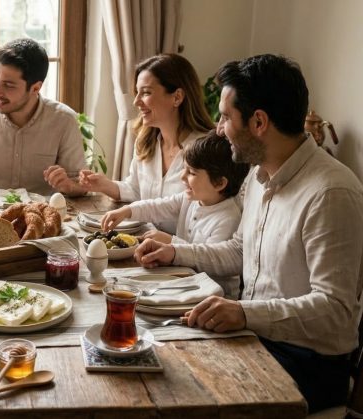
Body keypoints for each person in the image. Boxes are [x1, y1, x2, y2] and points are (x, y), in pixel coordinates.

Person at [133, 54, 363, 412]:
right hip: (258, 337)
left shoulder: (330, 192)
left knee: (172, 393)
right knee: (151, 353)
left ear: (258, 122)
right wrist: (176, 252)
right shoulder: (258, 176)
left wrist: (243, 314)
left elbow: (334, 310)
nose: (219, 128)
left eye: (225, 116)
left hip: (307, 362)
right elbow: (240, 250)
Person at [100, 130, 249, 298]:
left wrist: (171, 242)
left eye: (191, 173)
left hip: (212, 297)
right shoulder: (191, 198)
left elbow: (210, 264)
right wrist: (127, 211)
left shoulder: (228, 218)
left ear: (220, 183)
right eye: (184, 169)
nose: (182, 177)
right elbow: (158, 206)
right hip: (183, 283)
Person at [79, 53, 215, 234]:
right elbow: (136, 191)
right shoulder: (146, 142)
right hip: (145, 242)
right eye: (137, 93)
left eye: (146, 93)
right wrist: (105, 185)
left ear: (177, 97)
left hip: (182, 251)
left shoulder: (206, 150)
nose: (136, 102)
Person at [0, 38, 87, 199]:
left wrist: (69, 185)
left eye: (8, 85)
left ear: (35, 88)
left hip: (42, 216)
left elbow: (80, 184)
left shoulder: (64, 120)